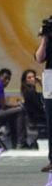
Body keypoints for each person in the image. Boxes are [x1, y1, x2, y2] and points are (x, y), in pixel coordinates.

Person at [0, 68, 25, 149]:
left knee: (13, 115)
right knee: (20, 110)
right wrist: (16, 105)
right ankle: (20, 143)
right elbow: (4, 105)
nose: (7, 81)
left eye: (8, 79)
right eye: (5, 78)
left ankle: (16, 144)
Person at [34, 23, 52, 172]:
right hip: (50, 79)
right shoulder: (48, 39)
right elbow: (39, 58)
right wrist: (44, 38)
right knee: (51, 120)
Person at [20, 69, 46, 149]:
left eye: (33, 77)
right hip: (39, 118)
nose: (32, 79)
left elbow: (46, 94)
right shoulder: (30, 92)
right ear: (25, 81)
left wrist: (41, 83)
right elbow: (40, 108)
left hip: (39, 116)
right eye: (29, 77)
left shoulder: (30, 90)